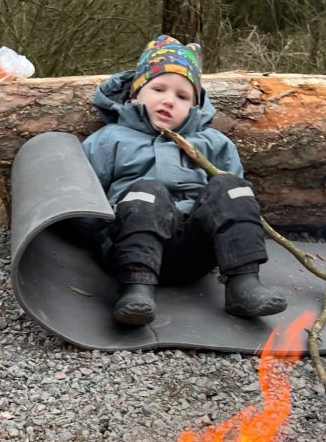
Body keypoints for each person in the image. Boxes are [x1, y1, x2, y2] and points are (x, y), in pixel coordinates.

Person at [80, 34, 287, 326]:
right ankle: (136, 292)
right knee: (147, 191)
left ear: (195, 106)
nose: (168, 100)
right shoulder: (110, 139)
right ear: (135, 94)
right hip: (131, 247)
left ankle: (243, 284)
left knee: (231, 187)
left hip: (195, 250)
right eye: (158, 89)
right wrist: (98, 235)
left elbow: (235, 209)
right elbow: (83, 195)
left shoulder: (213, 143)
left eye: (182, 96)